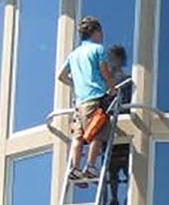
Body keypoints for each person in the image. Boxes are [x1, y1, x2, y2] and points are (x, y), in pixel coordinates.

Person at [58, 16, 116, 185]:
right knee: (97, 133)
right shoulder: (98, 49)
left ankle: (75, 169)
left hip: (80, 102)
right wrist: (112, 88)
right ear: (95, 32)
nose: (102, 35)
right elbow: (104, 72)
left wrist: (75, 84)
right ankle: (90, 166)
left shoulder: (73, 55)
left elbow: (61, 76)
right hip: (95, 98)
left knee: (78, 137)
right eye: (101, 32)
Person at [104, 45, 131, 205]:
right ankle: (113, 198)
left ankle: (130, 197)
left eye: (112, 58)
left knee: (126, 167)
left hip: (123, 125)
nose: (110, 62)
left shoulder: (126, 80)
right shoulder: (107, 81)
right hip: (110, 127)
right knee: (111, 169)